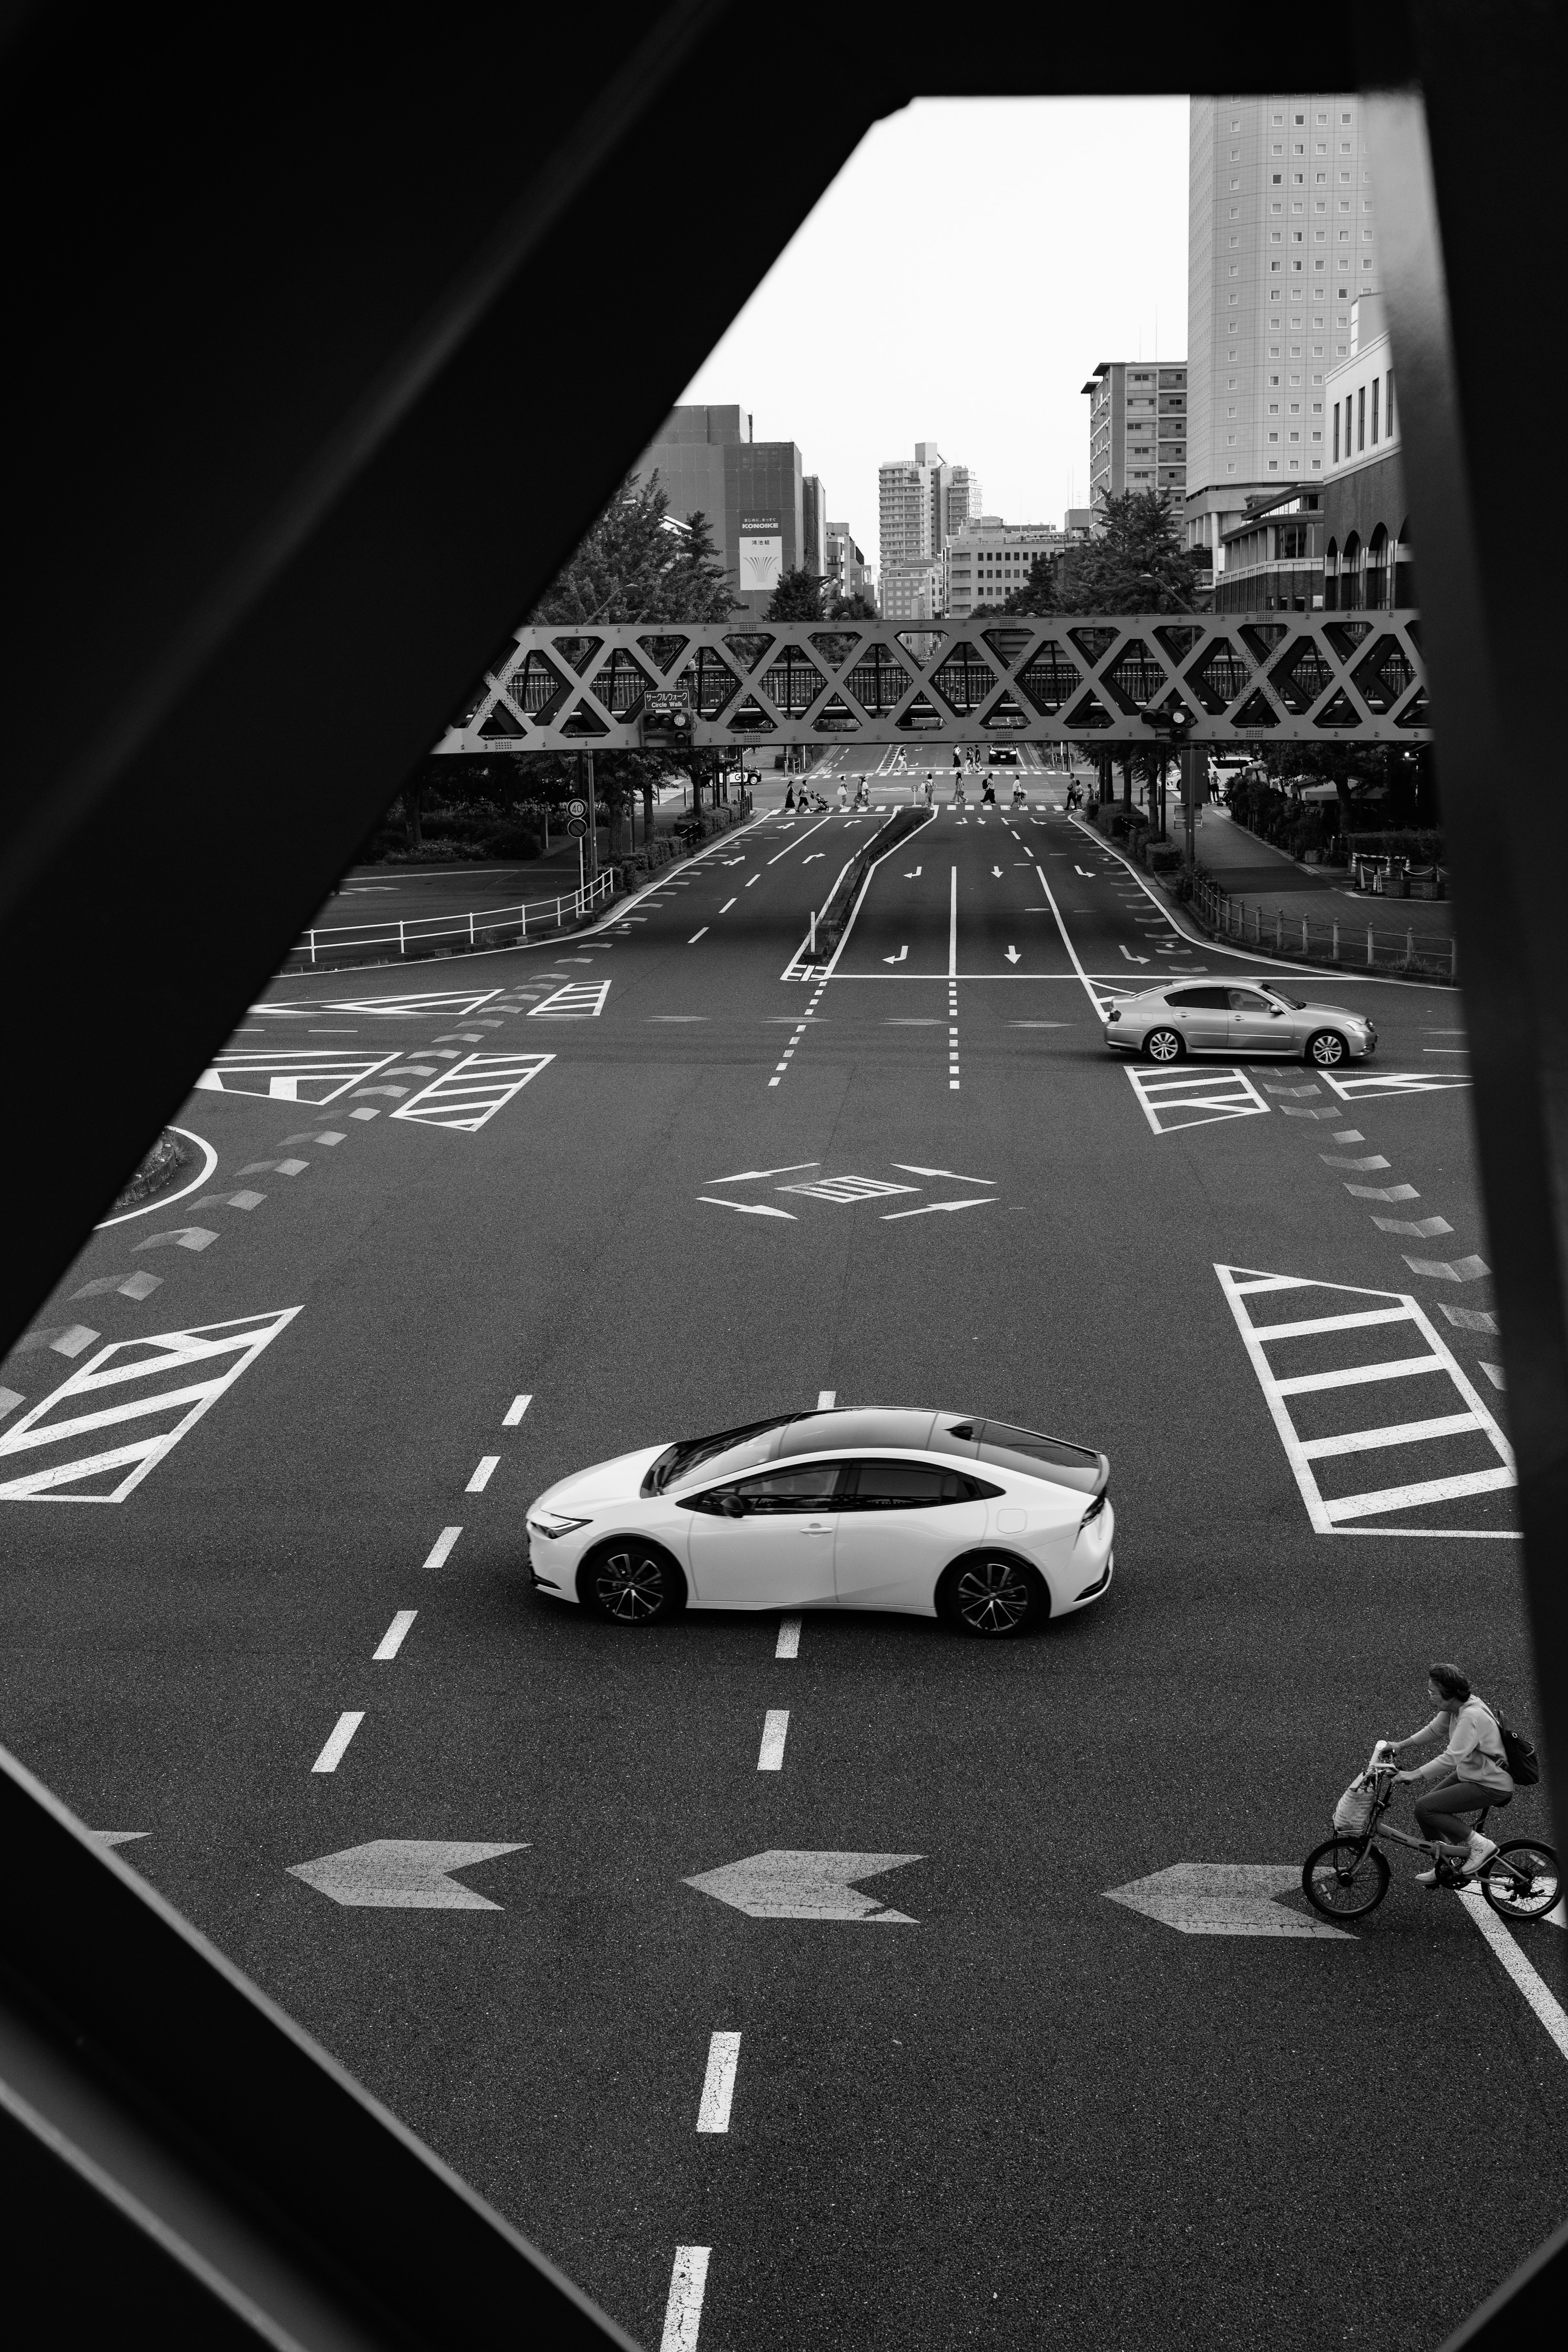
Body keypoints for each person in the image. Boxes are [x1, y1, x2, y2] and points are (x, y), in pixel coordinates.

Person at [1384, 1662, 1513, 1884]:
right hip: (1473, 1774)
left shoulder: (1470, 1716)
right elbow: (1435, 1730)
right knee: (1423, 1809)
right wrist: (1400, 1745)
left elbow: (1452, 1757)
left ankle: (1481, 1846)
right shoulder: (1456, 1708)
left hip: (1490, 1783)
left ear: (1449, 1694)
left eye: (1433, 1693)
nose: (1430, 1697)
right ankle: (1446, 1866)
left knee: (1427, 1808)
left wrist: (1414, 1774)